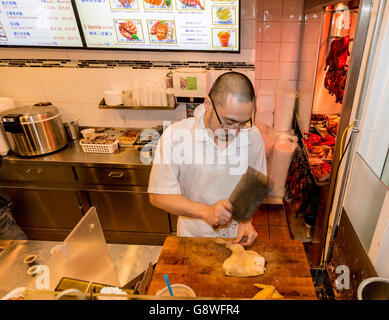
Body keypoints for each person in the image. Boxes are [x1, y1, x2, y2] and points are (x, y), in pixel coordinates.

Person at [148, 72, 266, 246]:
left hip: (235, 238)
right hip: (194, 237)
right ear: (208, 104)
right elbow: (158, 195)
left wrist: (245, 220)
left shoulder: (253, 135)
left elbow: (254, 183)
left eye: (243, 123)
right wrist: (206, 212)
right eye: (229, 121)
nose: (235, 132)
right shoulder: (176, 136)